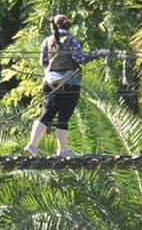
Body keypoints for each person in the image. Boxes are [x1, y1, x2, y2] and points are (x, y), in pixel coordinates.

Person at [24, 14, 109, 157]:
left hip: (50, 82)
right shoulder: (72, 40)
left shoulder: (47, 41)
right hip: (69, 82)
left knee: (46, 113)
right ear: (68, 25)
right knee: (63, 117)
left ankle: (32, 146)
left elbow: (43, 62)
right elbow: (79, 58)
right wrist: (97, 53)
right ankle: (63, 150)